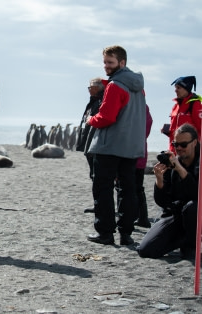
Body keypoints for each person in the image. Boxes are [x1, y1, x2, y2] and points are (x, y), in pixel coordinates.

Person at [85, 45, 147, 246]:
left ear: (122, 62)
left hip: (109, 146)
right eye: (104, 62)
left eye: (110, 62)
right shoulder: (139, 88)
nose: (106, 66)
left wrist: (91, 119)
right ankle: (126, 233)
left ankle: (105, 232)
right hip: (130, 148)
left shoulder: (115, 85)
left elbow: (107, 117)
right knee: (127, 189)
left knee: (102, 189)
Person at [138, 123, 199, 259]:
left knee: (192, 208)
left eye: (183, 145)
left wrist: (181, 170)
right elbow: (163, 202)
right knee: (146, 250)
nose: (179, 148)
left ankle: (190, 245)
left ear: (194, 143)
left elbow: (197, 194)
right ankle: (182, 239)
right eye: (176, 144)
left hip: (196, 215)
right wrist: (159, 182)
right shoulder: (173, 164)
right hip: (177, 215)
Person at [76, 77, 105, 213]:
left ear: (99, 87)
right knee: (93, 175)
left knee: (98, 176)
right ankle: (98, 203)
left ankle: (101, 205)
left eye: (91, 86)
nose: (89, 89)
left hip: (95, 145)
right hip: (89, 144)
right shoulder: (93, 102)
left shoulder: (101, 102)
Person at [161, 76, 202, 154]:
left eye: (178, 88)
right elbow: (177, 129)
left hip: (189, 154)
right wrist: (168, 131)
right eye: (175, 87)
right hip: (174, 151)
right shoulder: (175, 106)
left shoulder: (195, 105)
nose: (175, 90)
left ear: (186, 89)